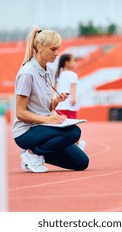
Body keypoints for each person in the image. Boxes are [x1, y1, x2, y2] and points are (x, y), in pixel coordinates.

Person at [12, 27, 89, 173]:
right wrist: (49, 120)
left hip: (44, 129)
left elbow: (45, 108)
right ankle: (31, 154)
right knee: (73, 133)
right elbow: (20, 113)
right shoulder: (27, 73)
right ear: (40, 47)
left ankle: (35, 154)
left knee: (82, 162)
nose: (57, 53)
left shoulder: (49, 72)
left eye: (58, 49)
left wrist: (55, 103)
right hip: (26, 132)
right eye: (53, 49)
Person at [55, 53, 86, 150]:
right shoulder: (72, 75)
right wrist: (73, 98)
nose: (74, 63)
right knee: (72, 126)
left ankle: (65, 145)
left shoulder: (57, 75)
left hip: (59, 105)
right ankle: (76, 145)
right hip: (69, 104)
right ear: (67, 63)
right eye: (73, 61)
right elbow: (72, 87)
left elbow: (54, 89)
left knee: (62, 126)